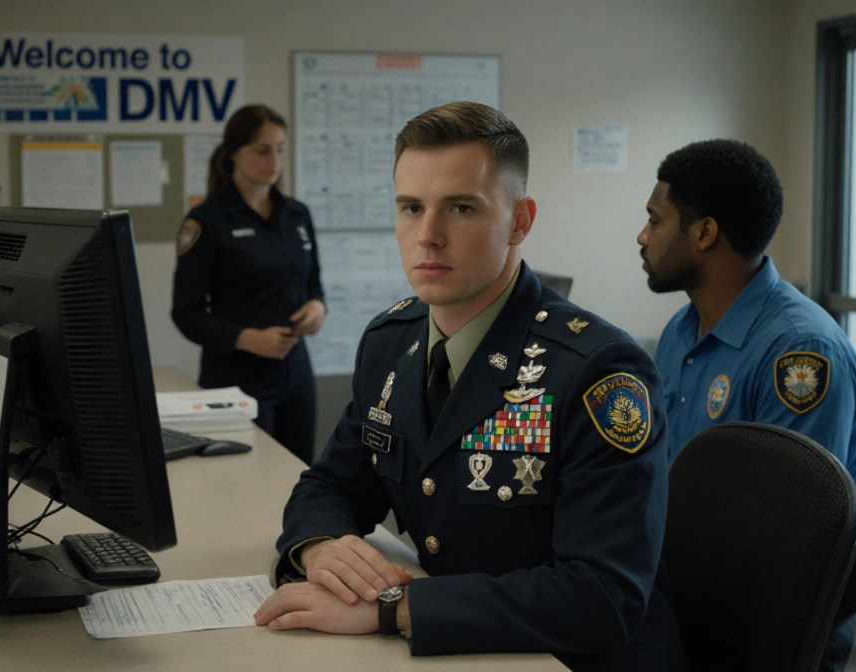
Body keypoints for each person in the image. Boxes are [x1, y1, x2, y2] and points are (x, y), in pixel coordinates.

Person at [252, 102, 685, 671]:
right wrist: (321, 548)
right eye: (411, 208)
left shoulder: (597, 373)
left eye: (460, 208)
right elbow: (332, 483)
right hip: (460, 653)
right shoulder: (390, 343)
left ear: (520, 220)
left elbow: (601, 597)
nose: (427, 236)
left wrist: (395, 606)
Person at [638, 138, 856, 671]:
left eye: (655, 219)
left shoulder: (800, 353)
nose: (643, 236)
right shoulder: (684, 328)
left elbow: (790, 537)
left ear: (704, 233)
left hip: (756, 617)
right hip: (683, 583)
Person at [172, 104, 325, 464]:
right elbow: (186, 313)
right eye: (262, 150)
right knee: (247, 485)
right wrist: (247, 339)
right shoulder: (206, 221)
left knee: (301, 477)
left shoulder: (297, 214)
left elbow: (315, 285)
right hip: (236, 378)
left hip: (296, 374)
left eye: (281, 149)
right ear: (233, 154)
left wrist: (317, 308)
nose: (274, 159)